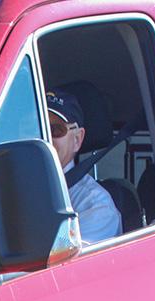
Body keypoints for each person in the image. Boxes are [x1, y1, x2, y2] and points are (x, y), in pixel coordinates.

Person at [46, 88, 123, 245]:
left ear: (77, 139)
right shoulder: (5, 189)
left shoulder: (96, 206)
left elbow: (62, 265)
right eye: (37, 127)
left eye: (56, 130)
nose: (45, 137)